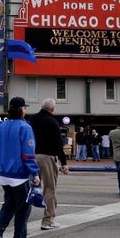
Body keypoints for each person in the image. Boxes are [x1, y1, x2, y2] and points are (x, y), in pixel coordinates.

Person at [0, 97, 40, 238]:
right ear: (22, 109)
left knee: (10, 203)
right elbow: (28, 154)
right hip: (19, 174)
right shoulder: (25, 127)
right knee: (23, 208)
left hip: (3, 173)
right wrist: (35, 173)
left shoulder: (0, 127)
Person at [26, 98, 70, 230]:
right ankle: (47, 220)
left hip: (32, 156)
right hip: (47, 157)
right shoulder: (52, 122)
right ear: (52, 109)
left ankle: (23, 216)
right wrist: (64, 163)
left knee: (28, 188)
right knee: (50, 189)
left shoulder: (32, 119)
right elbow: (58, 144)